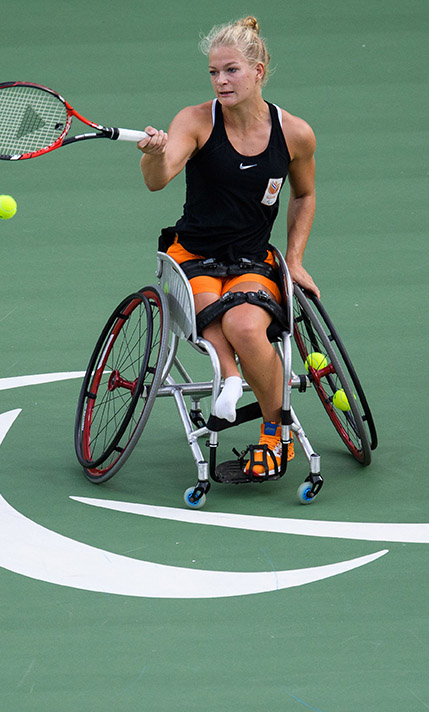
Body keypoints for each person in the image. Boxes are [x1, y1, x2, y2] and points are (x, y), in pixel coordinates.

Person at [138, 16, 319, 477]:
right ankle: (232, 378)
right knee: (207, 310)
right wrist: (154, 156)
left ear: (258, 71)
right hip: (192, 255)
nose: (221, 80)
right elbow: (158, 180)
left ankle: (275, 436)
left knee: (244, 326)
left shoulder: (295, 133)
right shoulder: (195, 120)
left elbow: (304, 195)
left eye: (231, 70)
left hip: (252, 260)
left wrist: (295, 259)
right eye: (214, 72)